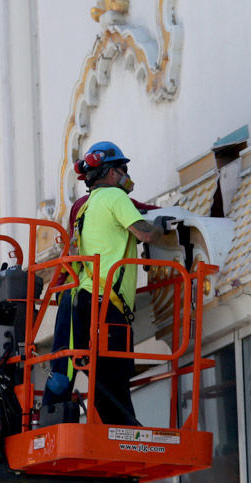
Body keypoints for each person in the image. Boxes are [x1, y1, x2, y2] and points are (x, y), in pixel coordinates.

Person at [43, 141, 170, 426]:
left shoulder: (85, 207)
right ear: (112, 173)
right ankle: (125, 433)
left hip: (75, 301)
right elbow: (144, 233)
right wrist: (166, 225)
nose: (126, 176)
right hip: (102, 304)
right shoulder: (114, 197)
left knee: (65, 370)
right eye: (124, 169)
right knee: (113, 372)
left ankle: (49, 428)